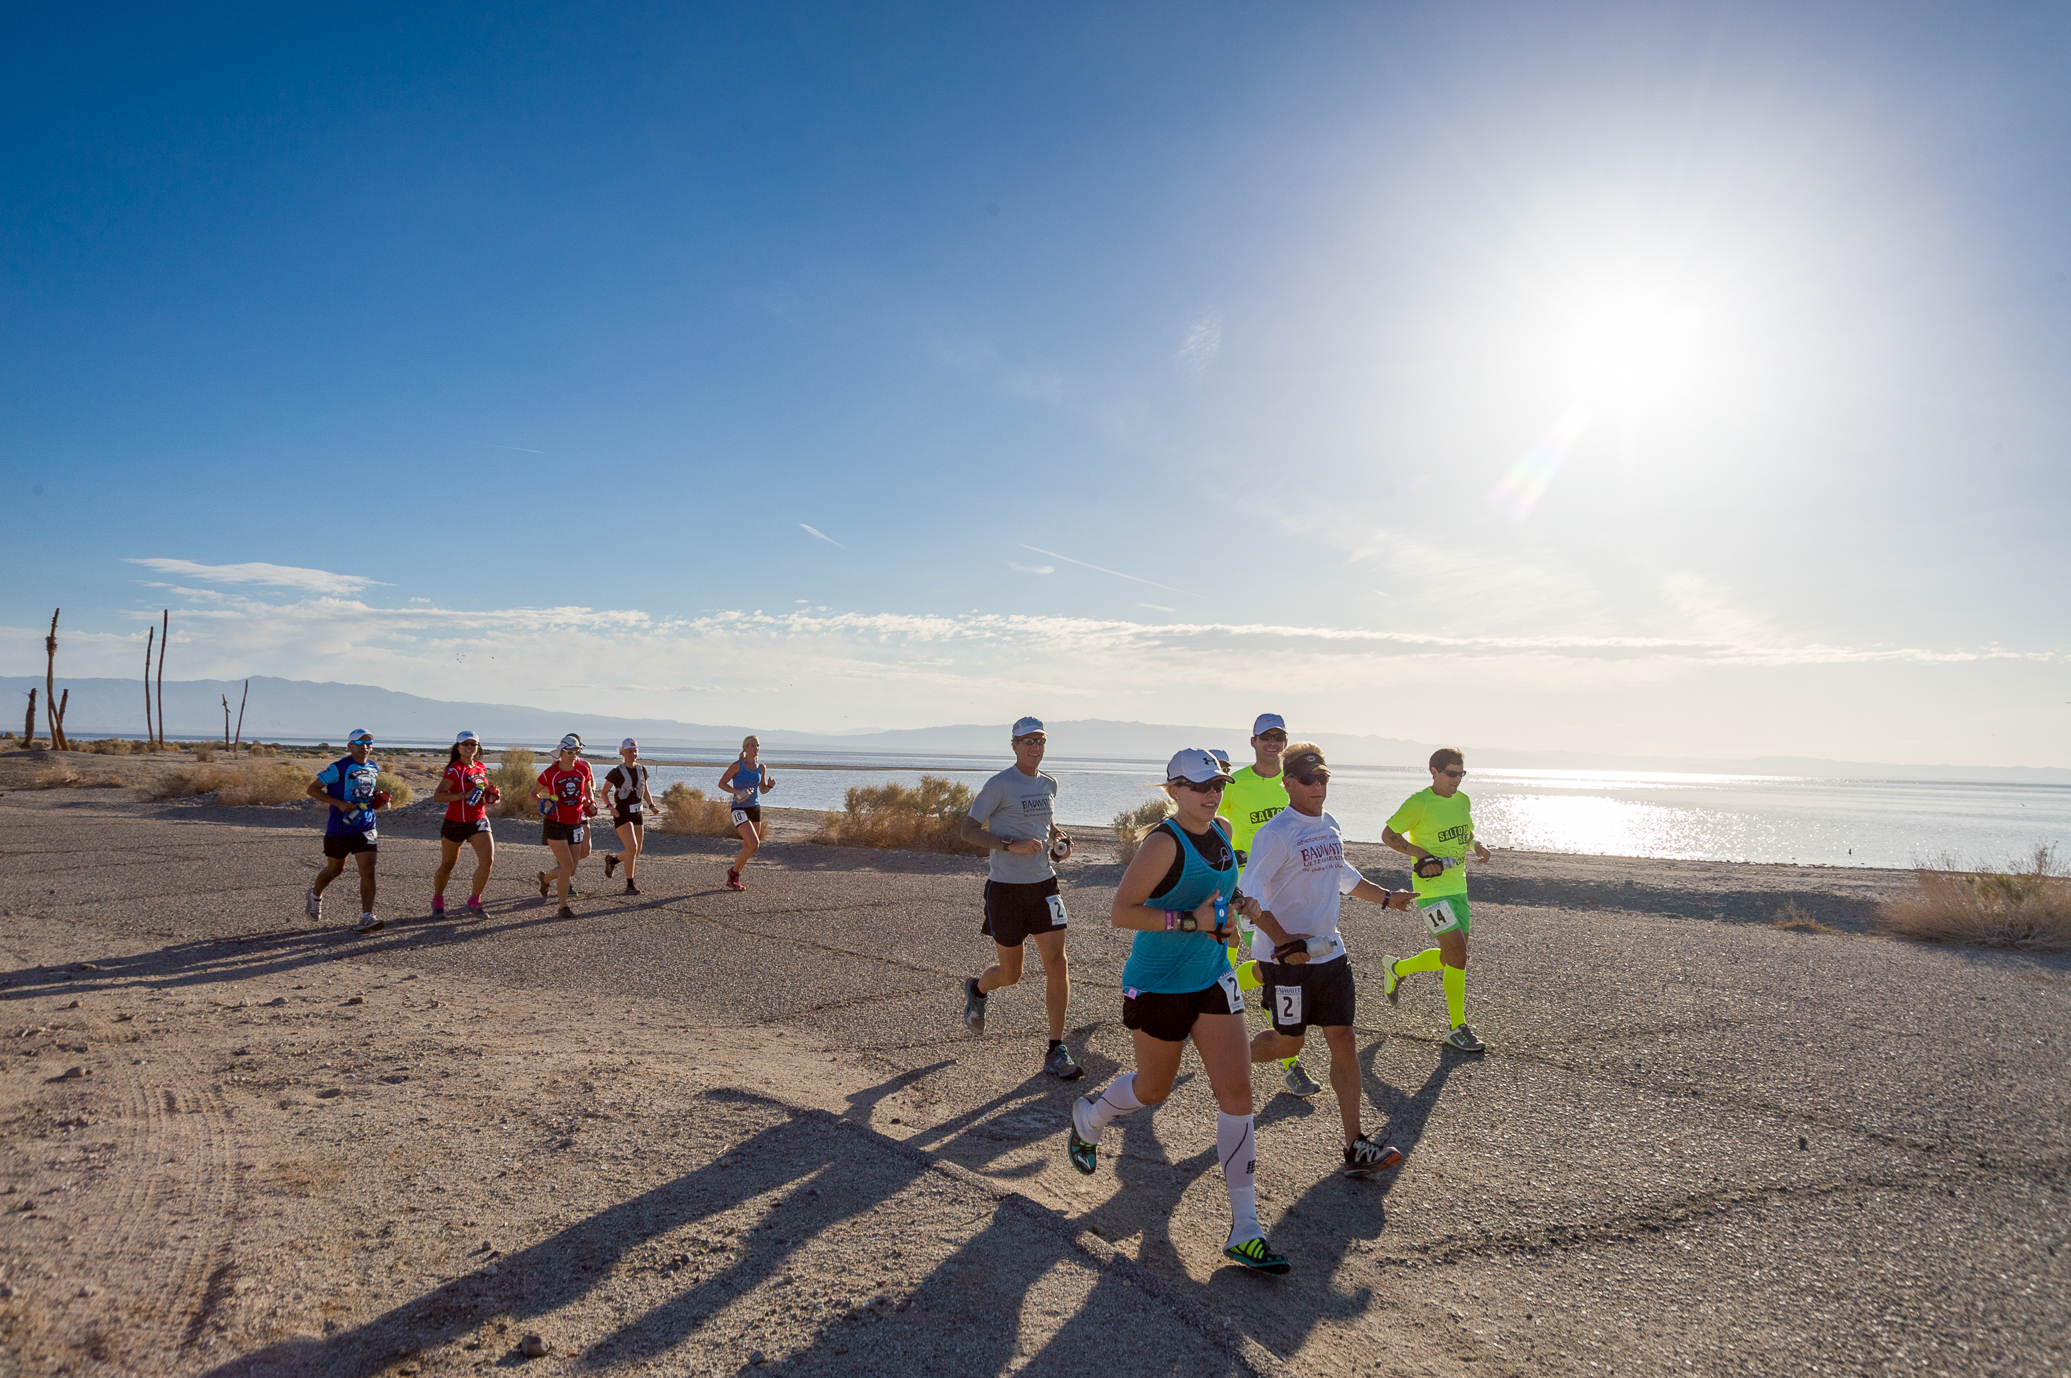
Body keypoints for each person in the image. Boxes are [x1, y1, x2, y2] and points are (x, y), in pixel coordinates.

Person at [1066, 748, 1295, 1273]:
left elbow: (1221, 895)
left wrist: (1232, 916)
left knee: (1237, 1092)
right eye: (1199, 787)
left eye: (1217, 785)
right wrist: (1191, 923)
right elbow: (1121, 913)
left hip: (1212, 977)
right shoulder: (1161, 844)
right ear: (1173, 790)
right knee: (1153, 1090)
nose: (1211, 794)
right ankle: (1090, 1115)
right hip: (1157, 985)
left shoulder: (1223, 831)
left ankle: (1245, 1228)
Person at [1242, 742, 1415, 1174]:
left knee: (1344, 1038)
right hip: (1286, 961)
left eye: (1323, 779)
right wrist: (1282, 941)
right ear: (1287, 784)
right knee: (1289, 1042)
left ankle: (1355, 1144)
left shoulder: (1330, 825)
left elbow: (1342, 875)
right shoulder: (1277, 833)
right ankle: (1229, 1059)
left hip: (1329, 952)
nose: (1317, 787)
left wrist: (1387, 898)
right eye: (1308, 779)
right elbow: (1248, 894)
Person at [958, 716, 1080, 1079]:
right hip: (1006, 891)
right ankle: (978, 989)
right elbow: (967, 831)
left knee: (1057, 963)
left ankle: (1055, 1050)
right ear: (1014, 745)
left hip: (1045, 886)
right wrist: (1011, 844)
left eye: (1040, 741)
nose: (1035, 747)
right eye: (1027, 741)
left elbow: (1046, 825)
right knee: (1011, 975)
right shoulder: (999, 785)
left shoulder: (1049, 784)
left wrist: (1061, 842)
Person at [1382, 748, 1494, 1053]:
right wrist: (1420, 854)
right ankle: (1457, 1027)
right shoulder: (1420, 802)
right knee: (1458, 957)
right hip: (1431, 891)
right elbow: (1389, 835)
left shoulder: (1462, 801)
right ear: (1433, 771)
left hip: (1459, 887)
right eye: (1451, 774)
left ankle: (1397, 969)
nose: (1457, 780)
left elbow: (1465, 834)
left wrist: (1477, 845)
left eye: (1461, 774)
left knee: (1451, 957)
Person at [304, 727, 389, 933]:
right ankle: (315, 894)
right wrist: (338, 803)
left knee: (368, 870)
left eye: (369, 743)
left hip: (366, 826)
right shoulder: (338, 768)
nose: (365, 747)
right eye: (359, 743)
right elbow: (312, 789)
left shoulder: (374, 767)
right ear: (349, 745)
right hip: (339, 829)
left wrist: (377, 798)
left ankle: (366, 917)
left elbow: (365, 793)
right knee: (335, 870)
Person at [430, 730, 499, 917]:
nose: (469, 747)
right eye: (465, 744)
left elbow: (481, 793)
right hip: (455, 822)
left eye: (473, 744)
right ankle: (437, 899)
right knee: (448, 864)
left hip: (478, 820)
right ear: (458, 747)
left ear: (478, 747)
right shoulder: (454, 770)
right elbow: (438, 796)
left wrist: (491, 796)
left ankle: (474, 901)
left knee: (488, 861)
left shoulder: (481, 767)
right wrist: (462, 795)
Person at [533, 734, 597, 918]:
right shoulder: (550, 773)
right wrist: (542, 803)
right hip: (555, 823)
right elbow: (532, 794)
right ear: (561, 753)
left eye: (576, 751)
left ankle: (545, 878)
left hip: (576, 823)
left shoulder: (582, 770)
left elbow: (587, 791)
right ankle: (563, 907)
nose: (573, 755)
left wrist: (589, 802)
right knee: (567, 865)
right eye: (570, 752)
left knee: (572, 869)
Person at [717, 735, 777, 891]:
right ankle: (733, 874)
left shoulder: (761, 767)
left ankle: (733, 877)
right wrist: (737, 792)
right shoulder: (737, 765)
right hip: (739, 808)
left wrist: (769, 786)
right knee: (754, 844)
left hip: (754, 808)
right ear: (745, 748)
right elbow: (721, 783)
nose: (755, 748)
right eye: (752, 745)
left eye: (757, 745)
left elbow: (762, 790)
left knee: (750, 846)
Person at [601, 738, 657, 895]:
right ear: (623, 752)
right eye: (630, 751)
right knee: (631, 848)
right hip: (622, 813)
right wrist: (610, 808)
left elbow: (645, 791)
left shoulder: (641, 770)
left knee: (636, 851)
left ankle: (613, 861)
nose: (634, 754)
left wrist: (651, 806)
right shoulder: (616, 772)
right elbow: (603, 792)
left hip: (637, 813)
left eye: (635, 751)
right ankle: (629, 884)